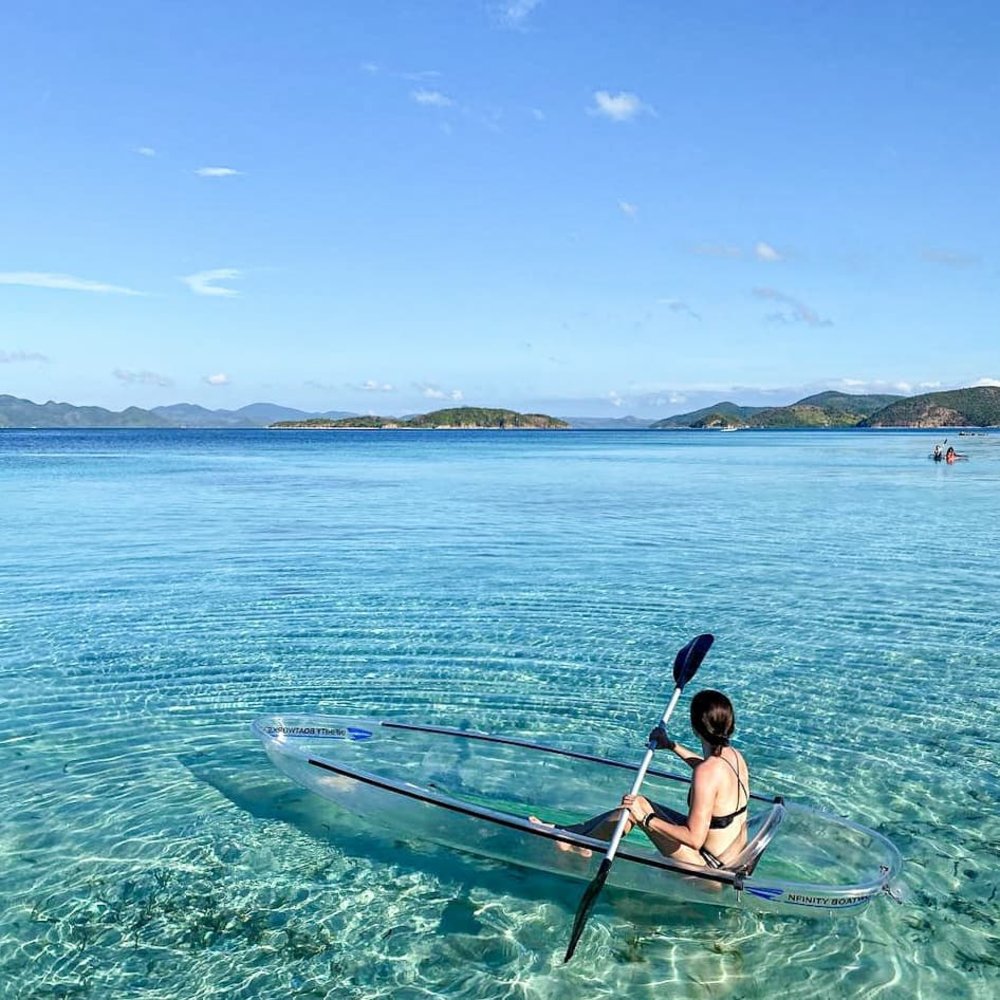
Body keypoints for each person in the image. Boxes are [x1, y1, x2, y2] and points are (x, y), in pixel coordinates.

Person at [533, 690, 749, 868]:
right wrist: (671, 745)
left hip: (708, 868)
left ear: (695, 727)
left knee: (635, 809)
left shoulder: (706, 772)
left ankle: (580, 846)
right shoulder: (734, 757)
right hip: (731, 858)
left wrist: (646, 819)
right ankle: (572, 833)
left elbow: (694, 839)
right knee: (639, 803)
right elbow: (710, 773)